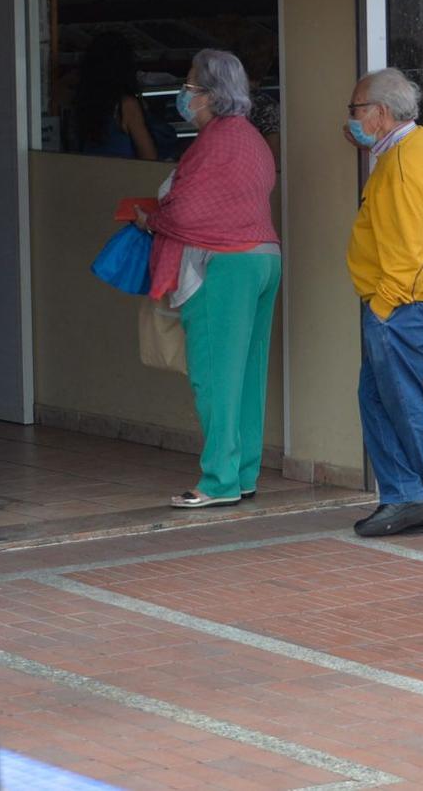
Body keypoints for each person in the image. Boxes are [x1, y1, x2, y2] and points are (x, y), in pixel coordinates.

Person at [135, 50, 280, 507]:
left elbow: (187, 211)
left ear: (212, 95)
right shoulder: (252, 139)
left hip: (225, 266)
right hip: (263, 259)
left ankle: (218, 481)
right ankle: (243, 473)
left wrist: (149, 222)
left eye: (191, 87)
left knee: (215, 374)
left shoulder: (212, 144)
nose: (185, 95)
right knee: (248, 374)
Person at [347, 68, 423, 537]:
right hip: (421, 302)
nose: (351, 121)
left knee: (398, 402)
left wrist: (382, 309)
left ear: (380, 113)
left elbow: (406, 251)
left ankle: (418, 498)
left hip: (403, 308)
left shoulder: (402, 165)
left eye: (356, 111)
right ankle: (413, 497)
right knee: (380, 398)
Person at [74, 31, 157, 160]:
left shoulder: (81, 101)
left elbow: (59, 88)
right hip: (121, 175)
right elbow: (149, 156)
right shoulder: (126, 105)